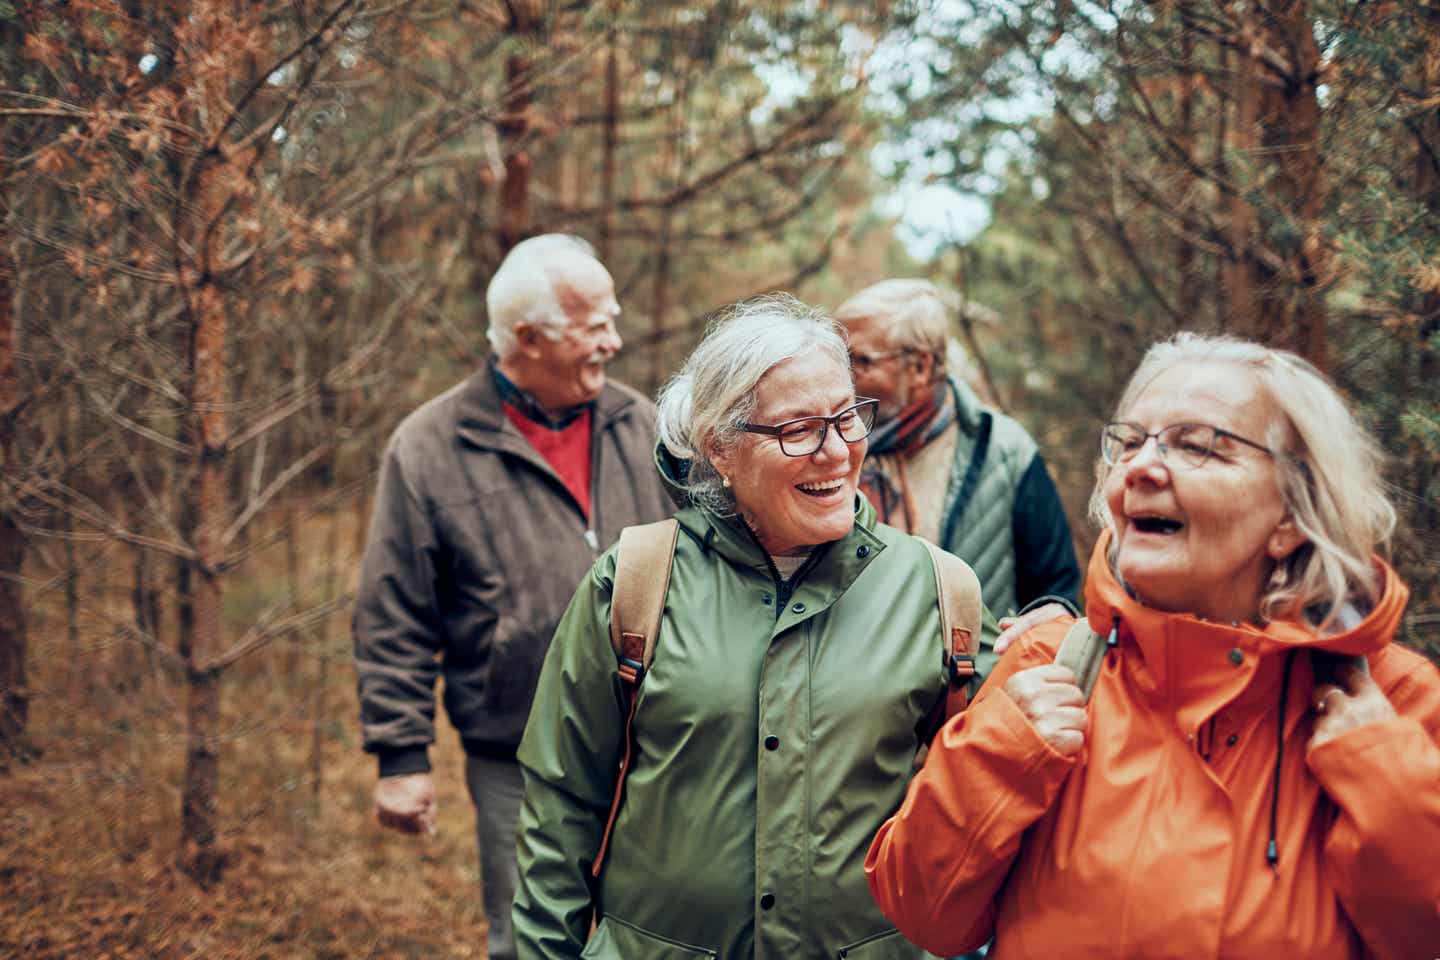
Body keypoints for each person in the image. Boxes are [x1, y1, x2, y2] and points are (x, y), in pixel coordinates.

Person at [866, 333, 1440, 958]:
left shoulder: (1395, 702)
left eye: (1197, 447)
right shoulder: (1047, 670)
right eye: (1130, 443)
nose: (1139, 467)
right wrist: (997, 757)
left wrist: (1382, 775)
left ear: (1289, 517)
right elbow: (922, 912)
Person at [511, 295, 994, 959]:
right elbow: (559, 811)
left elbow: (996, 813)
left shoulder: (940, 595)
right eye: (798, 429)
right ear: (722, 448)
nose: (835, 452)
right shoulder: (636, 583)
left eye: (847, 418)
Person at [352, 234, 674, 960]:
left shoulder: (643, 425)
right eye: (595, 328)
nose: (614, 343)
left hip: (659, 739)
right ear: (528, 338)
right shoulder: (429, 447)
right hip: (516, 752)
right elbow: (394, 611)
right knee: (533, 940)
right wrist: (402, 756)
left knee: (659, 934)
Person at [835, 279, 1080, 627]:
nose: (844, 376)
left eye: (860, 360)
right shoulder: (830, 446)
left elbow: (1055, 594)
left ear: (919, 367)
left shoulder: (1005, 451)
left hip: (974, 678)